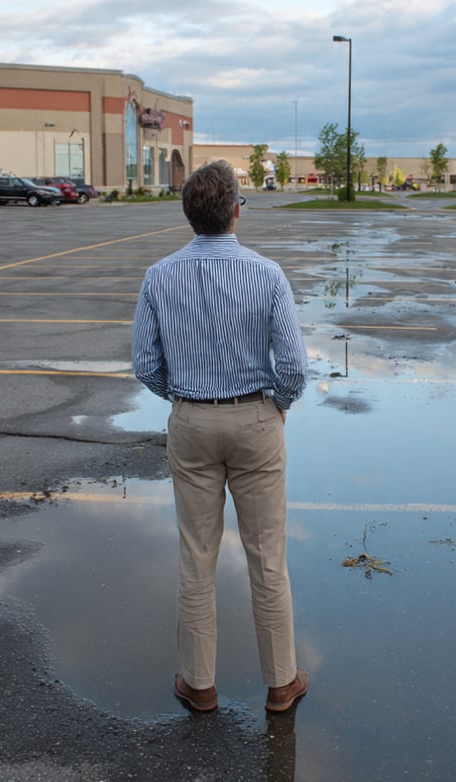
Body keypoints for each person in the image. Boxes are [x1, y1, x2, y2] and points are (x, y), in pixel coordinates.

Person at [132, 160, 308, 713]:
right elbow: (296, 369)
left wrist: (183, 399)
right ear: (236, 210)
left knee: (196, 557)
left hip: (191, 422)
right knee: (267, 558)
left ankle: (199, 683)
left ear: (189, 214)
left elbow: (144, 365)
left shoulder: (159, 276)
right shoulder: (268, 275)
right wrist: (275, 407)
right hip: (255, 420)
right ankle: (281, 683)